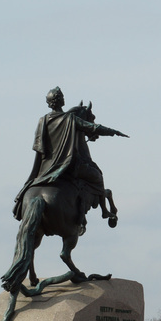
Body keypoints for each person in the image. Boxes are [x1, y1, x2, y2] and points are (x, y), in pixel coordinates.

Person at [13, 86, 128, 226]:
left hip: (45, 169)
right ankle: (104, 210)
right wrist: (113, 131)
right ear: (62, 101)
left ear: (49, 103)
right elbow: (93, 128)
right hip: (68, 167)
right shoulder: (70, 119)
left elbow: (39, 148)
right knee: (97, 176)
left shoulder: (42, 121)